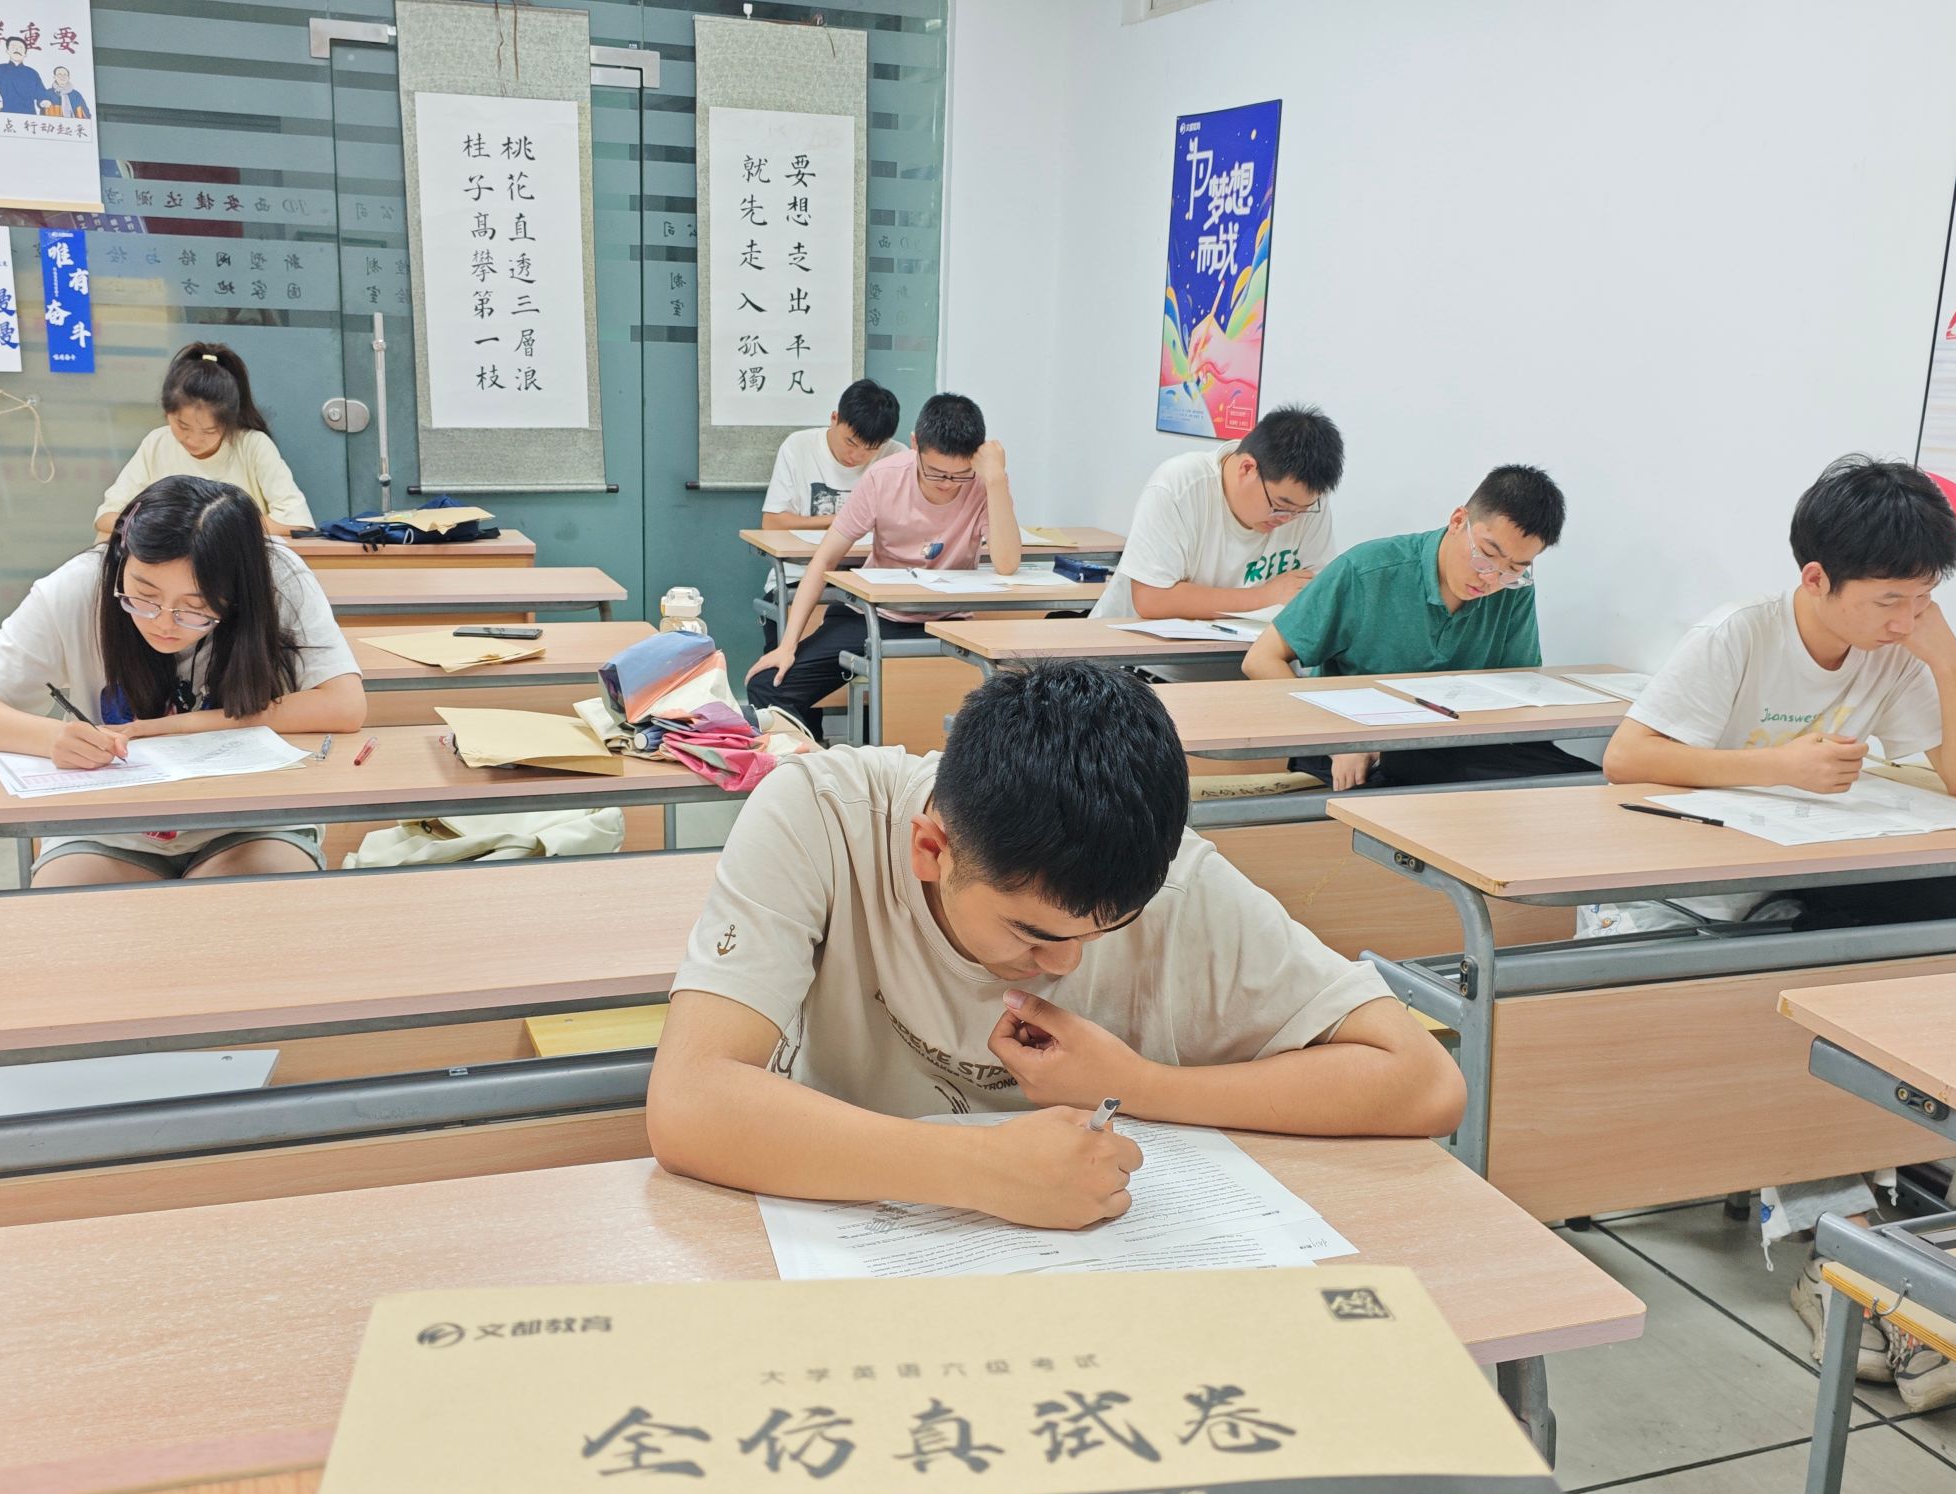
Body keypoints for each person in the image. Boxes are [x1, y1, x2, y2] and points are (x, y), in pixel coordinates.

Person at [649, 660, 1465, 1229]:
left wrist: (1141, 1085)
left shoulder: (1172, 879)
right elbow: (691, 1103)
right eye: (1032, 933)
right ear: (931, 850)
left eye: (1106, 931)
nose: (1067, 964)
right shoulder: (821, 817)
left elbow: (1423, 1083)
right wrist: (981, 1171)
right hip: (847, 1226)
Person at [1599, 454, 1956, 1411]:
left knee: (1939, 926)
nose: (1907, 619)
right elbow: (1628, 756)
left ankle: (1882, 1238)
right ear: (1817, 579)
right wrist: (1776, 768)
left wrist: (1949, 658)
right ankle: (1851, 1253)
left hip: (1801, 888)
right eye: (1891, 601)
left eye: (1925, 600)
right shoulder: (1739, 635)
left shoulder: (1899, 649)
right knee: (1800, 991)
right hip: (1689, 902)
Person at [0, 476, 366, 888]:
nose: (164, 622)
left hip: (250, 821)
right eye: (144, 596)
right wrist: (53, 738)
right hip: (107, 827)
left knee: (256, 910)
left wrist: (179, 725)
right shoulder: (76, 587)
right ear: (121, 559)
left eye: (195, 607)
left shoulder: (276, 577)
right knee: (71, 917)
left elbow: (343, 705)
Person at [1242, 463, 1586, 790]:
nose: (1491, 578)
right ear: (1458, 520)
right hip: (1355, 742)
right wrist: (1337, 741)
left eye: (1514, 568)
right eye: (1486, 554)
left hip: (1453, 742)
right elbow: (1261, 658)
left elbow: (1519, 686)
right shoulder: (1367, 570)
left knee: (1578, 779)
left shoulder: (1512, 590)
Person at [746, 392, 1019, 740]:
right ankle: (813, 766)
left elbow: (1007, 564)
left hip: (946, 623)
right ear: (915, 444)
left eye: (959, 475)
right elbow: (824, 560)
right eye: (936, 473)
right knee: (767, 685)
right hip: (873, 617)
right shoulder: (884, 477)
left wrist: (995, 480)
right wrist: (787, 646)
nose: (946, 484)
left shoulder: (984, 484)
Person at [1091, 404, 1343, 622]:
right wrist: (1264, 596)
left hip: (1239, 653)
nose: (1287, 519)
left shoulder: (1306, 503)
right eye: (1280, 505)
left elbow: (1317, 592)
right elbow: (1151, 599)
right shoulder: (1179, 486)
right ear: (1247, 469)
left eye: (1301, 511)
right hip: (1137, 652)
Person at [94, 344, 314, 538]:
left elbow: (296, 520)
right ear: (167, 412)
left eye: (210, 431)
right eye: (182, 426)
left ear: (229, 421)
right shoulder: (157, 443)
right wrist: (162, 530)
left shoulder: (252, 445)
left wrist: (207, 528)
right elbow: (107, 516)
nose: (193, 439)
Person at [756, 379, 904, 651]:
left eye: (870, 449)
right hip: (798, 578)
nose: (856, 456)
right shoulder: (799, 447)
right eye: (851, 442)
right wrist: (844, 522)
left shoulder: (897, 456)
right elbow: (773, 523)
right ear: (834, 418)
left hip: (869, 582)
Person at [0, 37, 43, 114]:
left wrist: (43, 100)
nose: (17, 50)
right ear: (7, 51)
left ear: (25, 54)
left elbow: (41, 92)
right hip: (7, 113)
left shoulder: (32, 73)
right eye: (13, 47)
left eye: (20, 48)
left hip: (30, 115)